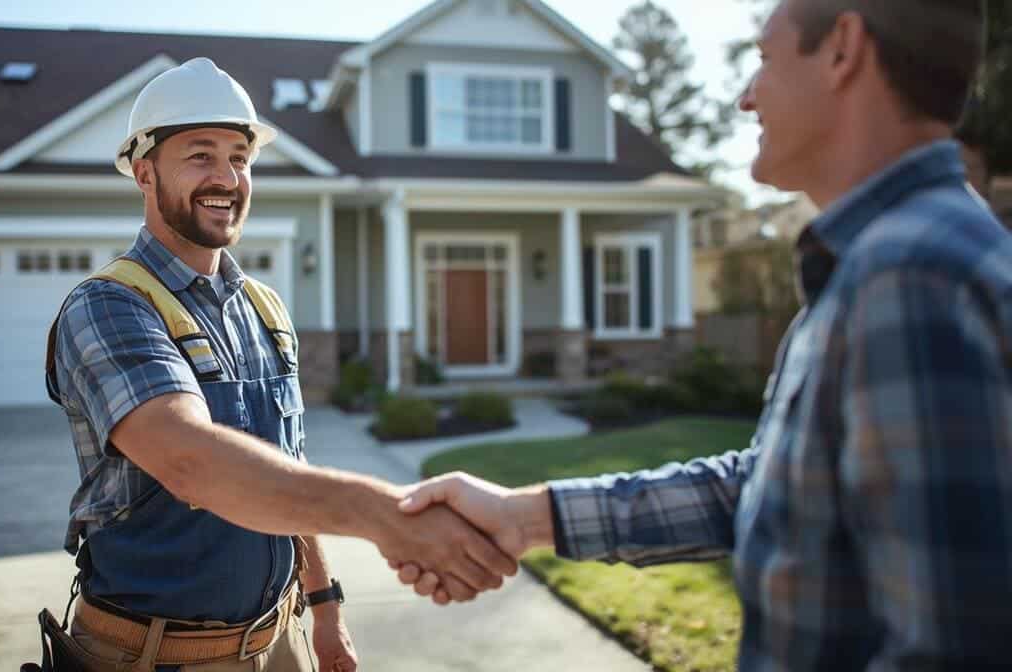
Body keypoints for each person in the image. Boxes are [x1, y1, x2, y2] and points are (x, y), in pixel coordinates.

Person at [396, 0, 1012, 668]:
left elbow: (956, 645)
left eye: (766, 59)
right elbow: (767, 488)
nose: (747, 98)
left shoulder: (911, 280)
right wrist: (525, 516)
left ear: (843, 48)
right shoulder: (878, 266)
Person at [45, 57, 516, 672]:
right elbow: (190, 461)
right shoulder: (109, 306)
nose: (227, 177)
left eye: (240, 158)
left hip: (280, 641)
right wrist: (387, 519)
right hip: (153, 655)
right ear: (143, 171)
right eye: (200, 155)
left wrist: (325, 611)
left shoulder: (264, 310)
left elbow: (288, 469)